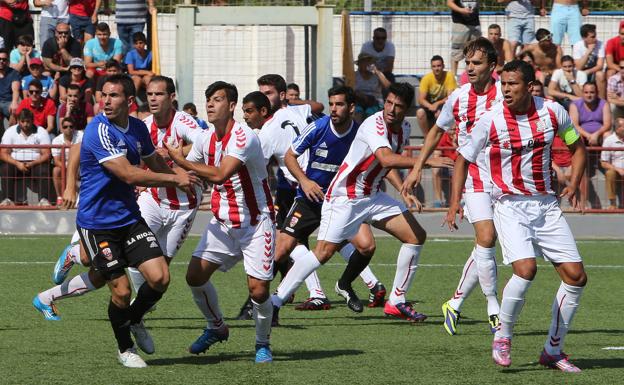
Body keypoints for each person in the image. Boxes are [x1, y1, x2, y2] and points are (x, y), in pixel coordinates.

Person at [34, 74, 198, 368]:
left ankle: (134, 320)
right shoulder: (100, 129)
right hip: (97, 224)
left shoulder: (136, 127)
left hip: (129, 219)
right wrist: (174, 177)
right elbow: (128, 174)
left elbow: (152, 161)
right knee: (121, 290)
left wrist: (180, 181)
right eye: (103, 95)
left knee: (160, 278)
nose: (106, 101)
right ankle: (125, 349)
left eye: (113, 96)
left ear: (129, 102)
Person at [446, 59, 588, 372]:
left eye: (513, 84)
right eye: (504, 83)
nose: (506, 89)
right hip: (509, 205)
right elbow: (461, 159)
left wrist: (575, 183)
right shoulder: (491, 119)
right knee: (526, 269)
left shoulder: (553, 112)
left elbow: (577, 147)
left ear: (529, 85)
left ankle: (553, 350)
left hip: (547, 206)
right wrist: (455, 201)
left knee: (576, 278)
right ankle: (503, 334)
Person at [272, 82, 430, 325]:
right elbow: (386, 157)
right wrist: (425, 161)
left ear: (406, 109)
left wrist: (403, 191)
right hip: (345, 197)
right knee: (323, 252)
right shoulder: (373, 124)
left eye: (398, 106)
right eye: (388, 103)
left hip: (372, 196)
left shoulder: (404, 128)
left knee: (416, 236)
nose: (391, 109)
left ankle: (396, 301)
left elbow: (384, 165)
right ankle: (275, 302)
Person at [163, 81, 276, 363]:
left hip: (255, 223)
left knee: (258, 290)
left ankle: (262, 343)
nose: (210, 105)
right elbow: (193, 166)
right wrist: (173, 167)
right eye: (208, 100)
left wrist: (182, 161)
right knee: (194, 277)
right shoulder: (204, 138)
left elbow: (219, 174)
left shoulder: (244, 137)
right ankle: (217, 327)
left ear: (232, 106)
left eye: (217, 99)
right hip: (222, 223)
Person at [402, 37, 503, 336]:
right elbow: (436, 131)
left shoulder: (504, 95)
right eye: (468, 63)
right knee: (486, 236)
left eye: (477, 63)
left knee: (487, 246)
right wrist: (418, 166)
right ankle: (493, 308)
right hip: (473, 178)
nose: (470, 68)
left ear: (492, 66)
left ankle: (455, 303)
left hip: (505, 179)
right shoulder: (458, 97)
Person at [280, 86, 387, 311]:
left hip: (342, 201)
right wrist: (305, 181)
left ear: (351, 107)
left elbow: (380, 161)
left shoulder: (361, 133)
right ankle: (265, 303)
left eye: (339, 104)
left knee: (365, 246)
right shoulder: (318, 127)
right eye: (331, 104)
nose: (333, 109)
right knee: (283, 248)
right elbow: (290, 155)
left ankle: (342, 287)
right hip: (310, 199)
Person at [569, 82, 611, 209]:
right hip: (583, 134)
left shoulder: (604, 103)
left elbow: (607, 124)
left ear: (596, 92)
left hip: (600, 134)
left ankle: (607, 162)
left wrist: (597, 134)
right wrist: (588, 135)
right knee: (577, 136)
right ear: (582, 93)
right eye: (586, 92)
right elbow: (574, 125)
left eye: (592, 92)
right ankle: (580, 161)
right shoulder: (575, 105)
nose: (589, 95)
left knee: (608, 135)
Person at [0, 109, 52, 206]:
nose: (25, 124)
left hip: (35, 163)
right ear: (18, 121)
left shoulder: (41, 131)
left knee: (44, 169)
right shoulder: (10, 131)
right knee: (5, 168)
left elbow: (47, 154)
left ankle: (43, 199)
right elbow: (3, 153)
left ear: (32, 121)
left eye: (28, 121)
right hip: (15, 162)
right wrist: (17, 163)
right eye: (22, 121)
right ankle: (7, 199)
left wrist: (32, 163)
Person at [416, 55, 457, 137]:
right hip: (430, 105)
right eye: (434, 66)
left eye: (439, 66)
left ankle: (441, 139)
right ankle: (427, 138)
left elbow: (450, 97)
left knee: (440, 114)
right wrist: (431, 106)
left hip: (444, 104)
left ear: (443, 66)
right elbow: (421, 99)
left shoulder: (449, 76)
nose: (436, 68)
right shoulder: (426, 78)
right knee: (420, 113)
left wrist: (437, 104)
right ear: (431, 67)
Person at [51, 116, 83, 205]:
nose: (68, 129)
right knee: (56, 170)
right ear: (61, 128)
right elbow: (56, 161)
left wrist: (73, 167)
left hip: (81, 164)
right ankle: (60, 197)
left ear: (74, 128)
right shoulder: (56, 140)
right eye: (65, 127)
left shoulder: (81, 136)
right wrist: (70, 168)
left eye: (71, 126)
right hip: (64, 165)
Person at [354, 52, 391, 122]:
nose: (367, 63)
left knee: (370, 113)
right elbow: (350, 89)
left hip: (375, 101)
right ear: (359, 64)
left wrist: (377, 71)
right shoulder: (355, 75)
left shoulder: (377, 75)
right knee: (358, 113)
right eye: (364, 61)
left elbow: (388, 86)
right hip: (359, 101)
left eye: (369, 61)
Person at [448, 0, 481, 76]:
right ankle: (454, 78)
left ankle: (473, 76)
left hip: (475, 23)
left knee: (476, 51)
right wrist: (462, 10)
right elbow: (449, 3)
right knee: (456, 52)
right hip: (460, 24)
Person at [573, 24, 606, 98]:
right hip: (580, 72)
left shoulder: (600, 44)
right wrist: (588, 51)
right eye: (592, 37)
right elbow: (578, 67)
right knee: (580, 75)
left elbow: (600, 65)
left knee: (600, 75)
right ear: (584, 38)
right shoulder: (577, 46)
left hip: (593, 71)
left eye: (595, 36)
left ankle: (602, 102)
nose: (595, 39)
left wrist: (588, 71)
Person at [600, 117, 624, 209]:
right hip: (616, 170)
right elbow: (604, 162)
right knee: (610, 173)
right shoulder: (609, 140)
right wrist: (618, 169)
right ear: (618, 129)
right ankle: (613, 203)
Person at [0, 48, 22, 130]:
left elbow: (15, 90)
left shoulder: (13, 73)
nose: (1, 61)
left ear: (8, 61)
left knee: (16, 113)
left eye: (4, 59)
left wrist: (14, 102)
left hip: (8, 102)